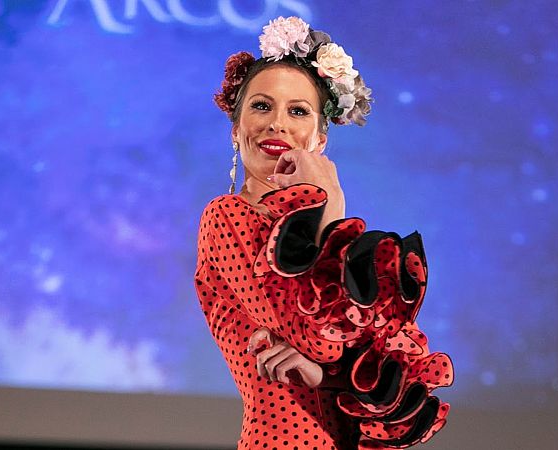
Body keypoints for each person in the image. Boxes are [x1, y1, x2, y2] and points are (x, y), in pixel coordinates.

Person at [194, 17, 454, 450]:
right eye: (261, 106)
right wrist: (329, 200)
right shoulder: (225, 218)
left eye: (298, 110)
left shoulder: (337, 245)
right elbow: (317, 335)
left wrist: (327, 374)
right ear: (236, 131)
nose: (277, 123)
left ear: (319, 139)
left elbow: (387, 380)